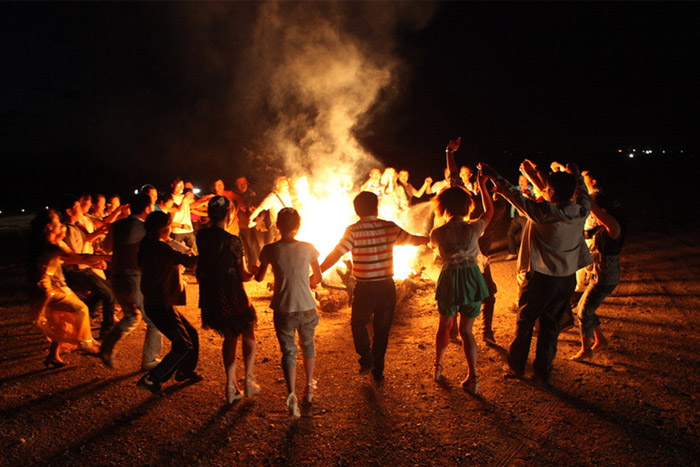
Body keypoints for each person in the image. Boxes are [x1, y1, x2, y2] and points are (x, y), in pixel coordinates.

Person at [483, 160, 592, 384]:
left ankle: (516, 367)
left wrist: (495, 175)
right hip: (566, 279)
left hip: (541, 278)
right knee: (550, 326)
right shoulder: (581, 210)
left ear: (551, 191)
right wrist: (577, 176)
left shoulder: (545, 212)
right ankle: (543, 372)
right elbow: (583, 194)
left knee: (525, 322)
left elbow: (515, 196)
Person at [320, 191, 429, 383]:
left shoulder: (352, 231)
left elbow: (336, 254)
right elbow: (413, 240)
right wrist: (430, 239)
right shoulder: (389, 227)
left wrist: (318, 272)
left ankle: (366, 359)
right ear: (376, 208)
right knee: (382, 329)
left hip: (365, 289)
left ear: (356, 210)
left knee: (358, 323)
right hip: (386, 287)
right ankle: (378, 368)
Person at [430, 164, 494, 395]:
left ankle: (437, 367)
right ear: (467, 206)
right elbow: (489, 213)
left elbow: (435, 249)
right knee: (467, 331)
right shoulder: (473, 228)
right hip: (471, 278)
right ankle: (473, 377)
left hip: (449, 279)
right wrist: (483, 187)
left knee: (444, 326)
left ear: (443, 207)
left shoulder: (437, 233)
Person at [256, 207, 322, 417]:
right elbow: (317, 278)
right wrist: (306, 283)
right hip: (306, 307)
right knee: (308, 346)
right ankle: (309, 387)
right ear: (298, 226)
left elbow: (258, 277)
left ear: (277, 226)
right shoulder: (309, 248)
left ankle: (292, 395)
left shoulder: (269, 249)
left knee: (288, 352)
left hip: (283, 308)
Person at [196, 196, 260, 403]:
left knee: (230, 336)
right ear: (230, 214)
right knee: (248, 328)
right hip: (231, 291)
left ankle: (231, 386)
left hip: (210, 292)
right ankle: (248, 381)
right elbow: (242, 275)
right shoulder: (233, 240)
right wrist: (254, 273)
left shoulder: (201, 236)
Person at [28, 210, 107, 367]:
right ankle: (87, 343)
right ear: (49, 227)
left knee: (63, 318)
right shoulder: (51, 246)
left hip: (52, 287)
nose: (62, 224)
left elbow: (76, 257)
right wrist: (110, 257)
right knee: (81, 309)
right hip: (47, 291)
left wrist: (95, 261)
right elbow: (79, 258)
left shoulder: (50, 243)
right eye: (58, 222)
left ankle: (53, 355)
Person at [136, 211, 200, 395]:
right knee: (183, 344)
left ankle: (184, 371)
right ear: (163, 228)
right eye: (169, 225)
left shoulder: (150, 245)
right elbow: (189, 262)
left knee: (191, 334)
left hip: (159, 302)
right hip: (159, 304)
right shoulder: (158, 248)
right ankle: (152, 378)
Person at [100, 193, 163, 370]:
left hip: (117, 278)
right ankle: (150, 360)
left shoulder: (117, 225)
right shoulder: (144, 228)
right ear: (147, 208)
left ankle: (107, 347)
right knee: (154, 320)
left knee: (131, 316)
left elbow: (106, 247)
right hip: (135, 278)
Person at [570, 190, 625, 361]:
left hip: (605, 279)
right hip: (600, 277)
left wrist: (584, 195)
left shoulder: (614, 228)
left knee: (583, 312)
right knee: (587, 309)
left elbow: (596, 211)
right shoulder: (603, 228)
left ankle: (586, 349)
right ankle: (600, 340)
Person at [61, 197, 115, 339]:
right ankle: (107, 329)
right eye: (78, 207)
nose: (81, 210)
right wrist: (100, 259)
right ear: (69, 211)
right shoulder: (67, 230)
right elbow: (75, 256)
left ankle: (85, 316)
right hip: (77, 271)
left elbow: (86, 244)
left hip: (84, 267)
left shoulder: (75, 227)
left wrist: (95, 259)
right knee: (108, 294)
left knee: (108, 289)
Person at [248, 176, 293, 245]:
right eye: (284, 185)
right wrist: (250, 219)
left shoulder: (287, 194)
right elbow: (260, 208)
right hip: (278, 228)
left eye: (287, 184)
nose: (287, 187)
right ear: (278, 186)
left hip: (289, 226)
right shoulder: (271, 198)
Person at [234, 176, 262, 267]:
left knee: (252, 246)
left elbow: (258, 208)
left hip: (250, 225)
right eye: (239, 183)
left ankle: (252, 266)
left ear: (247, 183)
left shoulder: (252, 194)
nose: (242, 185)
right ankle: (244, 266)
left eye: (244, 183)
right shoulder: (234, 195)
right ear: (236, 185)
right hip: (238, 226)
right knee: (242, 247)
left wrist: (249, 207)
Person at [505, 175, 534, 260]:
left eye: (523, 180)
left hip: (526, 217)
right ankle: (512, 253)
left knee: (523, 237)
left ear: (528, 181)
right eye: (519, 180)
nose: (520, 182)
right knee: (510, 233)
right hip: (517, 216)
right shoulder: (516, 189)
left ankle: (525, 255)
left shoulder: (532, 189)